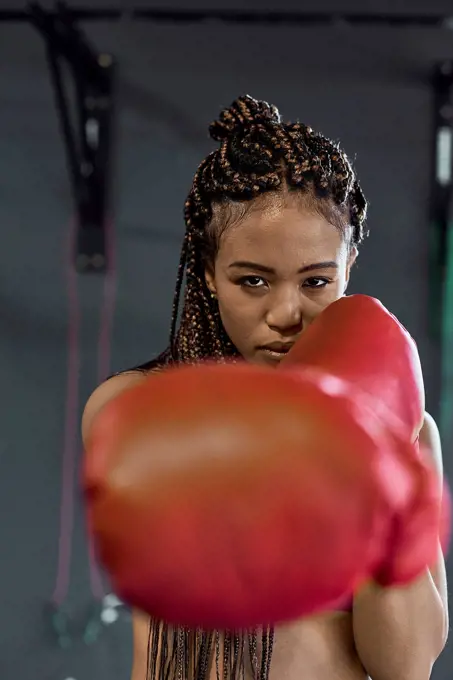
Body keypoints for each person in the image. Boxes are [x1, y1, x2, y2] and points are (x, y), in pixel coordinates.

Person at [82, 95, 448, 680]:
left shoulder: (406, 426)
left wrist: (381, 464)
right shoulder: (134, 406)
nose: (286, 312)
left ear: (349, 263)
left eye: (316, 281)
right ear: (207, 272)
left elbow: (405, 665)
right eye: (252, 280)